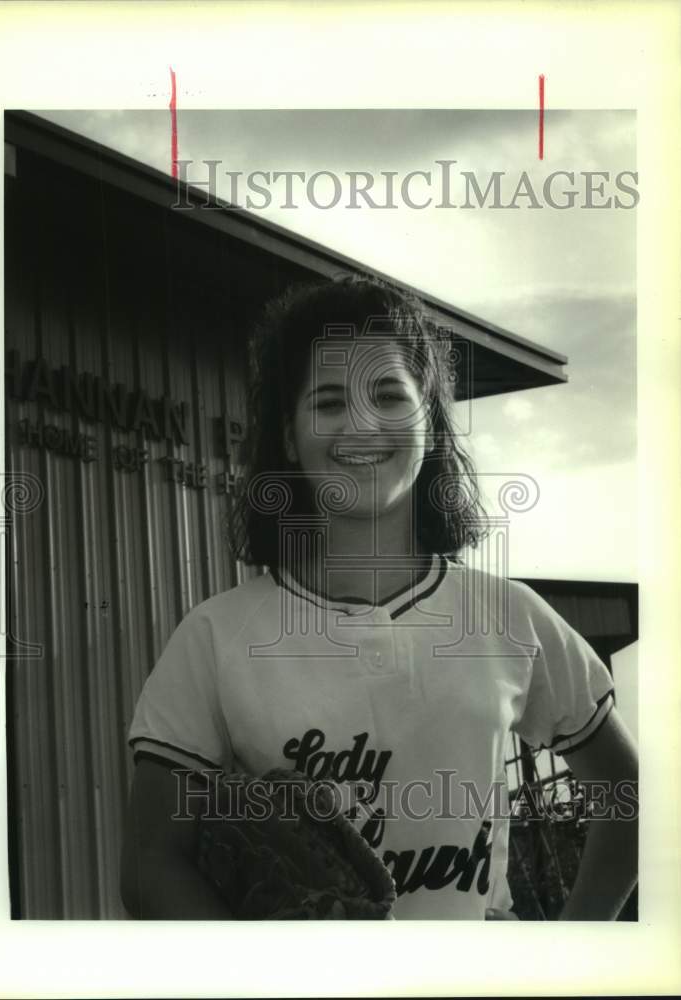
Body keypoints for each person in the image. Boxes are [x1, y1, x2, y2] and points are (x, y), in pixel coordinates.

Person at [120, 275, 638, 920]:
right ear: (287, 436)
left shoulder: (508, 616)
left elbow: (628, 789)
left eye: (389, 395)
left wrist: (568, 959)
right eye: (329, 402)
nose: (361, 423)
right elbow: (149, 864)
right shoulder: (215, 637)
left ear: (430, 421)